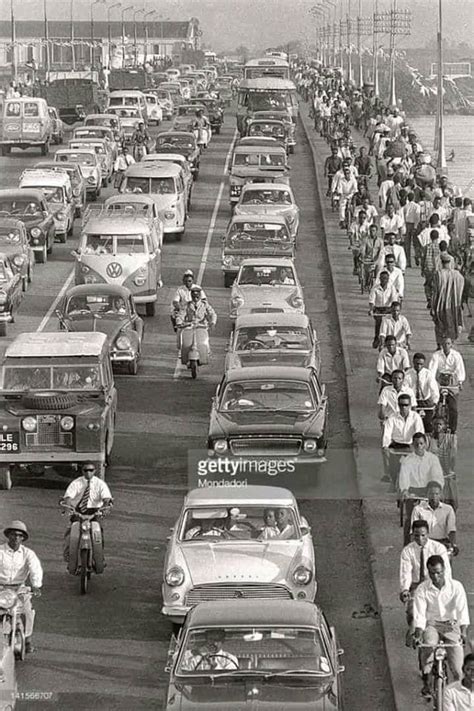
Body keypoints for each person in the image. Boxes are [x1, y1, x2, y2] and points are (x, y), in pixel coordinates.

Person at [413, 555, 469, 695]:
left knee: (458, 668)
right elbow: (419, 614)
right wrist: (418, 634)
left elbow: (462, 611)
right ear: (428, 572)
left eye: (438, 572)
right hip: (431, 624)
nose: (436, 576)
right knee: (428, 646)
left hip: (451, 625)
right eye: (432, 573)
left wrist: (463, 632)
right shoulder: (422, 589)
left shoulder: (456, 587)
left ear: (444, 570)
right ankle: (427, 680)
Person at [400, 520, 452, 647]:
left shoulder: (439, 548)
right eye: (416, 535)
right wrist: (405, 589)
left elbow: (446, 571)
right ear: (413, 535)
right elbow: (405, 572)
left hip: (436, 584)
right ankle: (415, 634)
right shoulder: (408, 551)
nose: (420, 538)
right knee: (413, 610)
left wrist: (447, 587)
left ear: (428, 533)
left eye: (423, 535)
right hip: (417, 586)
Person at [0, 521, 43, 653]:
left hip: (19, 588)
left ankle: (28, 639)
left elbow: (35, 568)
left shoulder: (28, 553)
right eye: (13, 535)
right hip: (1, 589)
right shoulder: (0, 551)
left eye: (20, 535)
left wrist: (36, 585)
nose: (16, 538)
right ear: (8, 536)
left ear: (23, 538)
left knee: (27, 612)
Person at [60, 462, 113, 561]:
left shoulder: (100, 484)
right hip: (78, 511)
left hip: (95, 511)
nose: (88, 473)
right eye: (86, 470)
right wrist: (67, 508)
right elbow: (68, 497)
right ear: (82, 471)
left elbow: (106, 498)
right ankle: (68, 553)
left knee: (99, 533)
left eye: (91, 470)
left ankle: (100, 556)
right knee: (70, 532)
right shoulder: (76, 483)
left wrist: (105, 508)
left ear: (95, 471)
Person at [398, 433, 445, 543]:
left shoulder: (432, 459)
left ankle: (435, 542)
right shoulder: (407, 460)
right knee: (410, 519)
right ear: (412, 445)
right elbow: (404, 476)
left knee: (434, 518)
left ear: (425, 444)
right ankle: (407, 545)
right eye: (416, 444)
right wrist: (405, 490)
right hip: (413, 492)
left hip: (429, 490)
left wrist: (435, 489)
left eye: (421, 443)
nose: (419, 446)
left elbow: (437, 475)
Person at [382, 395, 424, 488]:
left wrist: (418, 446)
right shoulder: (392, 417)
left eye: (406, 405)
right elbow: (387, 434)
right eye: (401, 405)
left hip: (410, 445)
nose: (403, 407)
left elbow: (419, 432)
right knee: (393, 466)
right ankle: (393, 483)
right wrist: (385, 446)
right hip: (396, 445)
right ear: (398, 405)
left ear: (410, 405)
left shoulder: (416, 417)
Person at [428, 337, 465, 433]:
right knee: (434, 405)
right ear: (441, 345)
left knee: (453, 408)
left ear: (451, 344)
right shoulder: (436, 355)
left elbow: (459, 369)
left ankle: (453, 429)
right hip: (440, 380)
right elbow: (432, 369)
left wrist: (460, 382)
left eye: (448, 344)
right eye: (444, 344)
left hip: (452, 382)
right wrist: (431, 381)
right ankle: (434, 426)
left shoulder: (456, 355)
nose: (446, 346)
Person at [411, 482, 457, 551]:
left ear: (441, 495)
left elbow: (451, 529)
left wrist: (453, 545)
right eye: (431, 494)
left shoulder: (448, 509)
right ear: (427, 494)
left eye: (436, 494)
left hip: (443, 543)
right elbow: (414, 530)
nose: (434, 497)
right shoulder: (418, 509)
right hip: (425, 544)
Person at [431, 255, 464, 345]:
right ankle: (450, 343)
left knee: (440, 325)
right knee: (451, 324)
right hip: (453, 305)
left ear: (442, 263)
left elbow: (435, 292)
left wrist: (433, 306)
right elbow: (461, 288)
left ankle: (440, 344)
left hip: (440, 305)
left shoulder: (438, 274)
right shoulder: (457, 275)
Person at [427, 416, 458, 510]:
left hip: (446, 471)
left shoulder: (451, 438)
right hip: (431, 473)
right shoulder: (427, 438)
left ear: (445, 426)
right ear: (432, 425)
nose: (438, 426)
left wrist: (451, 470)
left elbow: (453, 456)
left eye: (440, 424)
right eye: (436, 424)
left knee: (453, 499)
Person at [405, 353, 440, 434]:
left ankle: (428, 440)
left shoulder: (428, 374)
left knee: (428, 422)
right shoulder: (407, 374)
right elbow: (405, 389)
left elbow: (433, 388)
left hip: (425, 401)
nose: (419, 366)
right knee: (411, 423)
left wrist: (435, 402)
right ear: (413, 362)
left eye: (421, 364)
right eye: (417, 364)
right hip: (413, 402)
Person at [368, 272, 399, 348]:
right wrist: (371, 310)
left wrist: (394, 309)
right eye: (382, 278)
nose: (384, 280)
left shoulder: (391, 288)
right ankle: (377, 338)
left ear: (388, 279)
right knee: (379, 322)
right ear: (380, 279)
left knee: (390, 323)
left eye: (386, 278)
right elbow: (372, 301)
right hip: (378, 309)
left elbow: (394, 300)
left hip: (388, 309)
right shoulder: (375, 288)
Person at [402, 192, 421, 267]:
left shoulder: (405, 206)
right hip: (414, 224)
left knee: (407, 244)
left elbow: (404, 216)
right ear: (414, 198)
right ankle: (417, 255)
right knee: (416, 243)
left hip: (407, 224)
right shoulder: (417, 206)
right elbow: (417, 216)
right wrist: (416, 226)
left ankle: (408, 261)